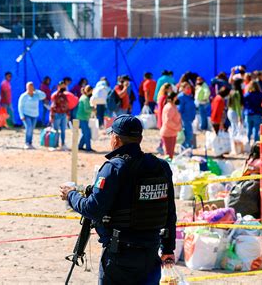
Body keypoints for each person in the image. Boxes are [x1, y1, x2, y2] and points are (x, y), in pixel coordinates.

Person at [60, 114, 176, 284]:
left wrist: (71, 195)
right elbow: (170, 212)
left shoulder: (114, 168)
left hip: (120, 256)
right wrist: (168, 248)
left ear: (115, 138)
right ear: (140, 138)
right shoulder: (161, 166)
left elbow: (93, 209)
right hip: (150, 254)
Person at [18, 82, 46, 149]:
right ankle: (27, 143)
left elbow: (44, 96)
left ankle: (30, 143)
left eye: (31, 87)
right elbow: (20, 106)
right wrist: (21, 115)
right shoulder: (24, 96)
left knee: (32, 129)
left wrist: (36, 90)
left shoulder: (36, 95)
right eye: (29, 87)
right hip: (26, 114)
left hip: (34, 115)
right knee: (29, 127)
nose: (30, 89)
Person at [161, 92, 182, 159]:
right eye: (176, 97)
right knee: (168, 154)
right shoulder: (169, 107)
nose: (177, 99)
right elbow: (168, 121)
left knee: (171, 154)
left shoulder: (173, 106)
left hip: (172, 133)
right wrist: (178, 127)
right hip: (168, 133)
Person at [50, 81, 71, 151]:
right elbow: (53, 106)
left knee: (63, 130)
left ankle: (63, 144)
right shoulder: (56, 95)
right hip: (57, 114)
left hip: (64, 114)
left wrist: (68, 114)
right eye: (62, 85)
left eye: (64, 85)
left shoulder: (65, 95)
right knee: (55, 130)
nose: (63, 87)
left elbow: (67, 105)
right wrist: (52, 115)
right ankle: (54, 145)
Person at [177, 82, 196, 150]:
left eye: (190, 88)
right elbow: (179, 109)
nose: (189, 89)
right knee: (187, 135)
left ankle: (186, 149)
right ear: (183, 89)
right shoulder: (181, 97)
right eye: (187, 88)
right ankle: (184, 149)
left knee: (189, 135)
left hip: (190, 119)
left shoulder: (189, 96)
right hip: (184, 119)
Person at [77, 85, 95, 152]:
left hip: (83, 117)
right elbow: (86, 109)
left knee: (85, 133)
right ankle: (88, 148)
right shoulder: (85, 98)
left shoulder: (84, 97)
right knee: (87, 133)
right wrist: (93, 109)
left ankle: (80, 146)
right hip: (83, 118)